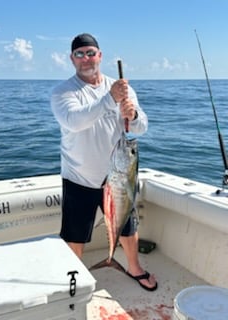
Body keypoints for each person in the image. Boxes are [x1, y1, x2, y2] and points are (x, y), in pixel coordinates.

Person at [51, 33, 157, 291]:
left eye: (90, 53)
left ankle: (133, 267)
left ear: (100, 56)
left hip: (119, 177)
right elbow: (74, 121)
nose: (86, 58)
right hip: (80, 176)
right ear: (71, 59)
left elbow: (140, 127)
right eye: (80, 54)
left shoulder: (122, 88)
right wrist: (110, 99)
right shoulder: (63, 92)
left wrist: (132, 114)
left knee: (128, 227)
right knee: (75, 234)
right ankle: (73, 277)